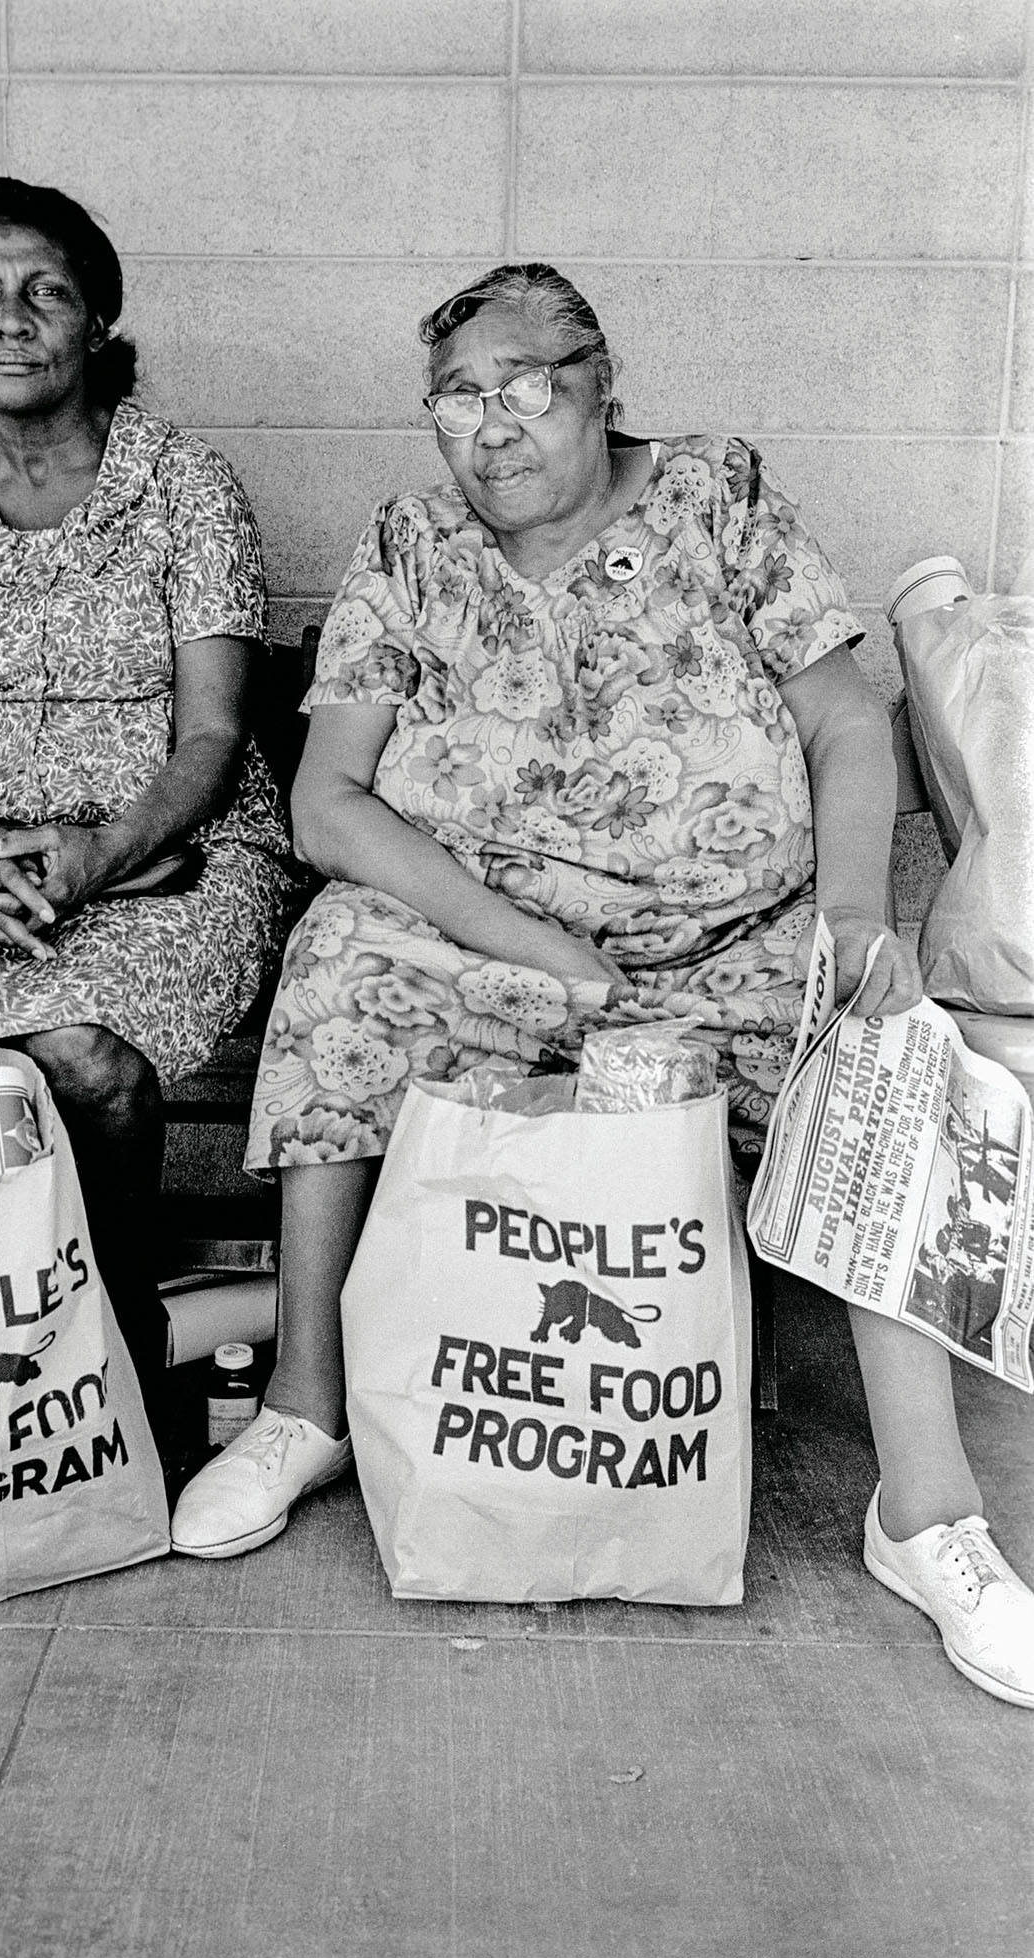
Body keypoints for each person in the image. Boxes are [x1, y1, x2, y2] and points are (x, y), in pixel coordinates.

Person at [171, 262, 1034, 1708]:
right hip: (492, 944)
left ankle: (925, 1516)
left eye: (526, 386)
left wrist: (845, 920)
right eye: (458, 397)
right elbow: (329, 804)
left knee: (872, 1052)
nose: (492, 426)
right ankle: (304, 1404)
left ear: (599, 381)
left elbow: (841, 716)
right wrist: (517, 939)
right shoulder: (414, 543)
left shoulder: (716, 500)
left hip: (728, 939)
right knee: (336, 971)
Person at [0, 177, 295, 1398]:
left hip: (169, 856)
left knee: (81, 1054)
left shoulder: (187, 490)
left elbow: (211, 734)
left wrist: (93, 851)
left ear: (97, 321)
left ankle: (107, 1362)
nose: (12, 317)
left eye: (47, 290)